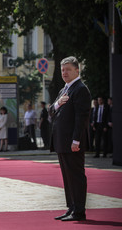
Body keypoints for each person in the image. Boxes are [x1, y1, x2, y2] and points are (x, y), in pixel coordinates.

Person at [49, 56, 91, 222]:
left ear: (77, 70)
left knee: (76, 176)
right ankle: (71, 207)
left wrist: (76, 140)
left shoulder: (80, 89)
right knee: (67, 177)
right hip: (62, 141)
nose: (64, 73)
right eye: (62, 70)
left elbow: (82, 117)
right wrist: (58, 103)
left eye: (68, 69)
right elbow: (51, 111)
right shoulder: (64, 89)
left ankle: (79, 210)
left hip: (72, 142)